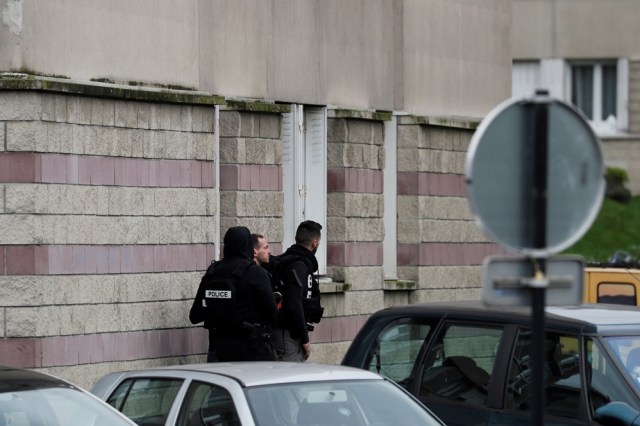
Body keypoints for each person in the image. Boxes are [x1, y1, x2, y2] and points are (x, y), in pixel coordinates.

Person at [189, 226, 278, 362]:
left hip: (219, 350)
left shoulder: (213, 271)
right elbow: (272, 313)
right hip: (251, 351)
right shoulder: (256, 273)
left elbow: (195, 315)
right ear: (248, 245)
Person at [272, 220, 324, 362]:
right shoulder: (299, 265)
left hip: (288, 333)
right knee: (288, 378)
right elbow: (294, 303)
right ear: (314, 243)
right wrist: (305, 339)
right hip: (288, 335)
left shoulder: (290, 261)